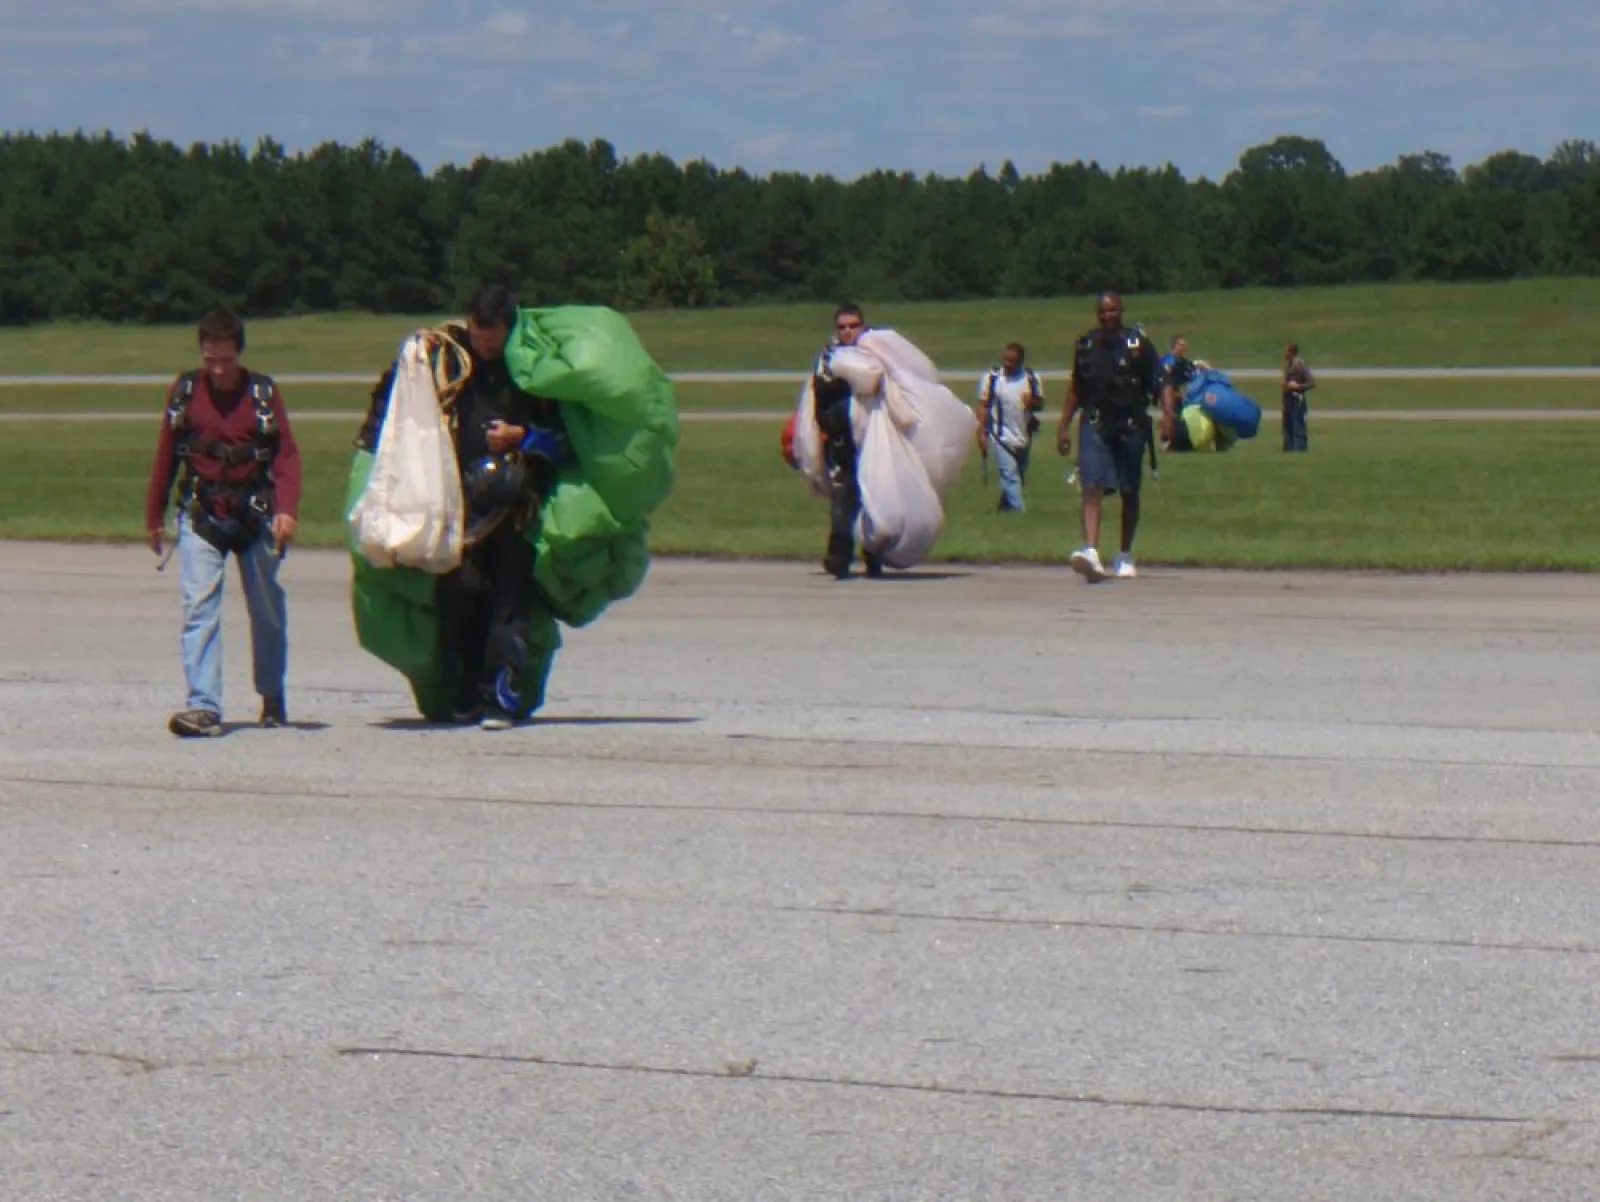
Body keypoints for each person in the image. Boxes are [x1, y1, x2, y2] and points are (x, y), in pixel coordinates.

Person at [356, 284, 569, 730]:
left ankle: (502, 699)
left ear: (508, 333)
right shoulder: (450, 362)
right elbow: (395, 400)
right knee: (460, 599)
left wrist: (522, 438)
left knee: (509, 603)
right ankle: (464, 694)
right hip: (459, 506)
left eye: (492, 342)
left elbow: (562, 443)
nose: (484, 349)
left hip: (514, 509)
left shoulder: (531, 376)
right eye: (478, 338)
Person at [145, 309, 302, 738]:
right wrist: (154, 516)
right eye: (210, 359)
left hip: (256, 513)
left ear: (240, 353)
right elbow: (166, 454)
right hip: (203, 514)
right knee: (199, 609)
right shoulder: (185, 391)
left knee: (266, 608)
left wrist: (286, 509)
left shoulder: (262, 394)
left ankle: (272, 696)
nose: (217, 369)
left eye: (225, 360)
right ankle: (204, 706)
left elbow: (286, 455)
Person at [1056, 291, 1173, 582]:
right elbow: (1075, 388)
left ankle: (1124, 554)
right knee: (1091, 484)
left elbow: (1161, 381)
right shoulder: (1086, 346)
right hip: (1095, 421)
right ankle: (1091, 551)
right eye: (1102, 311)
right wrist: (1063, 424)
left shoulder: (1138, 345)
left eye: (1112, 310)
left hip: (1131, 424)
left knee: (1129, 490)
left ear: (1121, 311)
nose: (1107, 316)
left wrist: (1168, 415)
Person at [811, 303, 884, 579]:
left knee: (874, 497)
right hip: (843, 440)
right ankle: (839, 556)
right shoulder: (828, 357)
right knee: (843, 496)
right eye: (842, 327)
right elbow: (818, 395)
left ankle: (874, 554)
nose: (848, 331)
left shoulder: (878, 352)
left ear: (863, 326)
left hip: (875, 439)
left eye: (853, 325)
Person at [976, 342, 1044, 512]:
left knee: (1018, 474)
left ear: (1020, 362)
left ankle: (1005, 507)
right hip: (999, 435)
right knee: (1009, 474)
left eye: (1012, 361)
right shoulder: (993, 378)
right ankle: (1019, 511)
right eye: (1005, 360)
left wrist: (1032, 402)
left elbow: (1040, 403)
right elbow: (983, 406)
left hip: (1023, 434)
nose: (1007, 364)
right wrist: (982, 432)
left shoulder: (1031, 378)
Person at [1281, 342, 1315, 452]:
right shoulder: (1287, 366)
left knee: (1298, 424)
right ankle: (1289, 448)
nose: (1284, 354)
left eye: (1286, 351)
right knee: (1287, 425)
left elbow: (1311, 383)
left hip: (1298, 400)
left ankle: (1301, 448)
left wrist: (1298, 386)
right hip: (1288, 399)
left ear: (1292, 353)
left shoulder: (1299, 366)